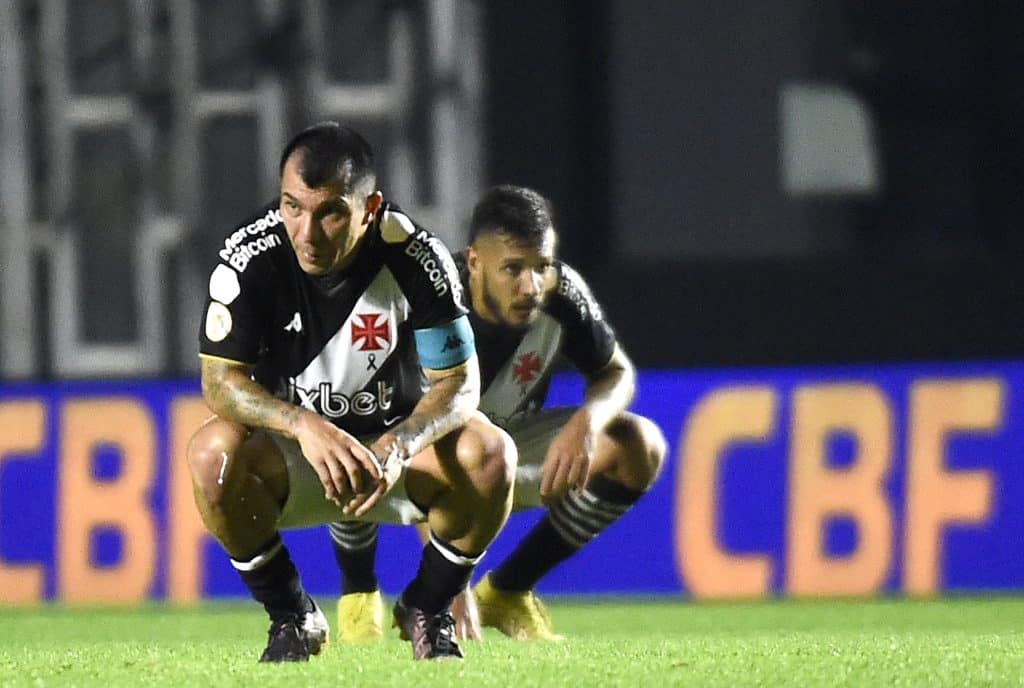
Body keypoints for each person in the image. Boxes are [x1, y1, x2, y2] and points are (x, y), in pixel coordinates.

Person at [188, 122, 515, 662]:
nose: (307, 232)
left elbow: (459, 386)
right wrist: (302, 424)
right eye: (293, 206)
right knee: (210, 456)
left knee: (491, 454)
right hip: (302, 458)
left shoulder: (416, 257)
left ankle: (427, 609)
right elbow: (219, 382)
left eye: (330, 212)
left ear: (370, 208)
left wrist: (398, 446)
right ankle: (292, 615)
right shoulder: (251, 256)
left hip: (399, 459)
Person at [329, 184, 667, 642]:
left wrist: (590, 422)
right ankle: (359, 591)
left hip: (502, 447)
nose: (531, 286)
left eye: (541, 266)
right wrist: (452, 577)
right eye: (513, 269)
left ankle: (508, 592)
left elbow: (616, 372)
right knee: (345, 436)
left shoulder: (561, 293)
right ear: (473, 262)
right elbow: (425, 429)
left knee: (638, 446)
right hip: (407, 454)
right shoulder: (425, 294)